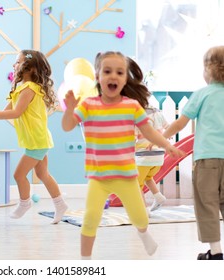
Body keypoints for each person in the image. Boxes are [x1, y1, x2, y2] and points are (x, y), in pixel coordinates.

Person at [61, 51, 185, 259]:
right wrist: (69, 110)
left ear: (125, 79)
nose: (113, 76)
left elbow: (149, 132)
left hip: (126, 176)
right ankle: (85, 261)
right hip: (98, 177)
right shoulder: (89, 105)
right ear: (98, 77)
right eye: (107, 71)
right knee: (90, 219)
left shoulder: (131, 106)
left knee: (140, 217)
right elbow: (67, 126)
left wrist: (167, 145)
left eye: (119, 72)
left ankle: (144, 235)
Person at [0, 50, 68, 223]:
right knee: (42, 174)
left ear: (30, 68)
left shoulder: (30, 89)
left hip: (37, 141)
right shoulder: (22, 89)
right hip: (37, 139)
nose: (13, 65)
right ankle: (60, 204)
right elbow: (7, 111)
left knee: (19, 175)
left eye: (17, 62)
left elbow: (16, 113)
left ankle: (24, 203)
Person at [161, 46, 224, 260]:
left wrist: (161, 137)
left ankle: (215, 252)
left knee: (207, 204)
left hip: (207, 159)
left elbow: (180, 123)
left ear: (207, 70)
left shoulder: (202, 94)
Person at [135, 105, 169, 212]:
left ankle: (143, 211)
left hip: (143, 156)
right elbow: (168, 127)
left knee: (136, 184)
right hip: (158, 156)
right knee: (148, 177)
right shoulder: (158, 113)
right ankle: (158, 197)